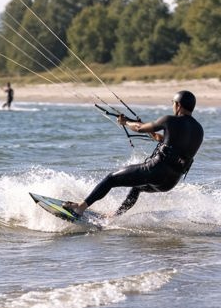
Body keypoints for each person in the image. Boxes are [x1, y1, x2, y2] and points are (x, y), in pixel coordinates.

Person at [65, 91, 204, 217]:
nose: (173, 106)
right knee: (137, 188)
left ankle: (80, 208)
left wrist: (126, 122)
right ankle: (114, 217)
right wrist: (148, 129)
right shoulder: (199, 130)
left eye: (173, 103)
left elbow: (138, 128)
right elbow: (162, 139)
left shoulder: (169, 120)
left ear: (178, 105)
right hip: (170, 181)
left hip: (156, 170)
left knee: (111, 179)